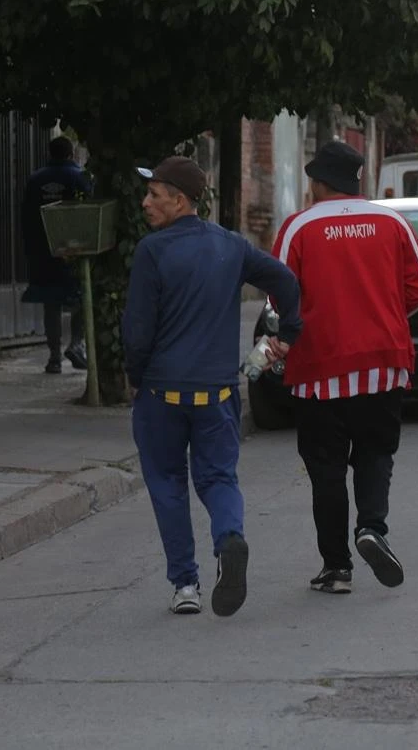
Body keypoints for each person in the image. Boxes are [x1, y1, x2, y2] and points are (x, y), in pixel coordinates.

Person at [123, 156, 301, 617]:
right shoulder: (232, 246)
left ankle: (185, 585)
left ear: (180, 200)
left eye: (155, 195)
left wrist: (136, 378)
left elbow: (138, 332)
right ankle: (230, 539)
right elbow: (284, 278)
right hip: (218, 394)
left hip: (162, 393)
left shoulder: (153, 251)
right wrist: (289, 330)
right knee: (219, 478)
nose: (146, 203)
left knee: (167, 485)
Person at [271, 141, 418, 595]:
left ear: (319, 182)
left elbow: (279, 297)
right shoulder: (392, 222)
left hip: (319, 368)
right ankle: (372, 529)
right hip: (384, 363)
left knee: (325, 468)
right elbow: (417, 291)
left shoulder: (299, 227)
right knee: (376, 453)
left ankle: (337, 567)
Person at [21, 136, 92, 374]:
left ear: (50, 153)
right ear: (71, 153)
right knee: (81, 298)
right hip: (73, 249)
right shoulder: (80, 177)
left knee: (51, 304)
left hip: (44, 252)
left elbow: (27, 217)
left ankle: (53, 357)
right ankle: (76, 343)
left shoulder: (35, 180)